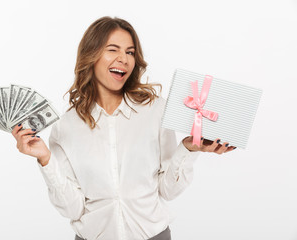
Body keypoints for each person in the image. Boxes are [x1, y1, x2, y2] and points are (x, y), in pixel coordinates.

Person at [12, 16, 235, 240]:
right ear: (92, 55)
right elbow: (72, 209)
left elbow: (168, 190)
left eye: (130, 52)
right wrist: (45, 159)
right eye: (113, 49)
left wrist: (188, 148)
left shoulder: (156, 110)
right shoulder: (66, 125)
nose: (124, 59)